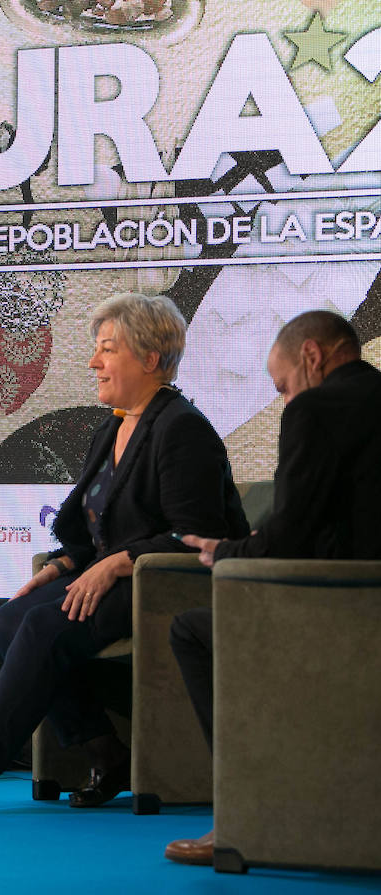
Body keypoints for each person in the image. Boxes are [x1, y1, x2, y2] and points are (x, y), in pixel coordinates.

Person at [0, 293, 248, 814]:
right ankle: (106, 752)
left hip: (163, 584)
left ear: (149, 359)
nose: (94, 362)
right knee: (10, 620)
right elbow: (96, 533)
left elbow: (198, 533)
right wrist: (63, 565)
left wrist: (116, 564)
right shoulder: (112, 428)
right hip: (119, 577)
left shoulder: (182, 428)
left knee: (40, 628)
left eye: (107, 350)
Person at [164, 310, 381, 864]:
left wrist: (225, 551)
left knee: (191, 629)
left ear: (312, 356)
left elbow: (288, 537)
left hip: (345, 615)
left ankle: (245, 813)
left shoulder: (317, 409)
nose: (284, 401)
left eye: (281, 387)